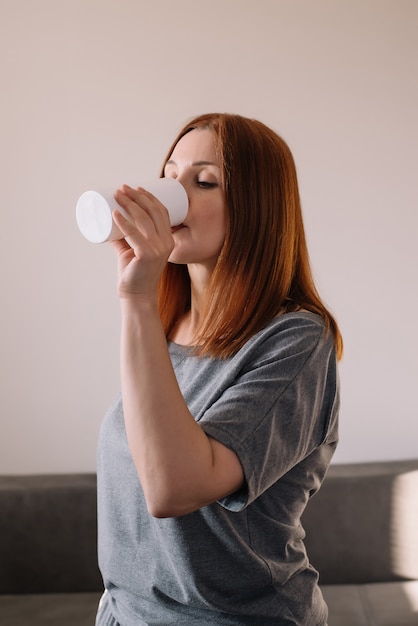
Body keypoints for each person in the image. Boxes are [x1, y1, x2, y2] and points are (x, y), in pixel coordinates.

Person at [95, 112, 343, 626]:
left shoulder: (295, 339)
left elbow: (173, 488)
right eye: (169, 175)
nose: (172, 194)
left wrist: (135, 298)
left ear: (258, 209)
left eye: (203, 181)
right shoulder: (164, 327)